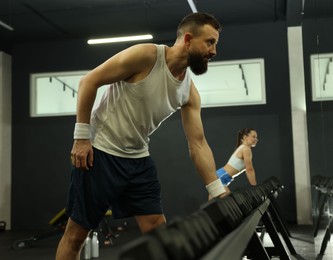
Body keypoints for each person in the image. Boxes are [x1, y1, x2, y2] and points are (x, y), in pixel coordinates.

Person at [55, 12, 225, 260]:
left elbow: (198, 144)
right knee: (76, 236)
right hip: (100, 153)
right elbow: (89, 81)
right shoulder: (147, 56)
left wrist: (216, 189)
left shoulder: (188, 91)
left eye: (215, 44)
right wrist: (82, 138)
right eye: (210, 42)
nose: (214, 51)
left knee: (159, 230)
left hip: (138, 159)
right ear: (188, 39)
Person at [216, 128, 258, 195]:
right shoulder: (246, 149)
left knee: (215, 205)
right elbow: (249, 170)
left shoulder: (242, 147)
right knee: (229, 202)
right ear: (245, 137)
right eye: (253, 136)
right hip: (220, 178)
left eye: (256, 137)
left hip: (219, 177)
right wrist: (255, 188)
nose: (256, 139)